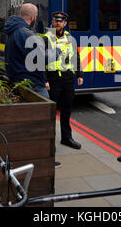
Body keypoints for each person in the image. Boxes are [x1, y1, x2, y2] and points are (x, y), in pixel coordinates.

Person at [43, 12, 84, 150]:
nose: (58, 23)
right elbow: (40, 60)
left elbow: (76, 57)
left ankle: (66, 138)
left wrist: (79, 74)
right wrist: (45, 79)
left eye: (61, 21)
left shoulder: (70, 38)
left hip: (68, 79)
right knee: (51, 112)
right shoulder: (46, 38)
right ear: (53, 22)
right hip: (53, 80)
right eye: (56, 21)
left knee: (67, 110)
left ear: (65, 23)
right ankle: (50, 142)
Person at [4, 3, 49, 99]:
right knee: (45, 111)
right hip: (32, 84)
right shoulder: (26, 34)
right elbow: (40, 59)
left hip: (17, 80)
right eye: (36, 16)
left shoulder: (13, 30)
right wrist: (57, 52)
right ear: (32, 18)